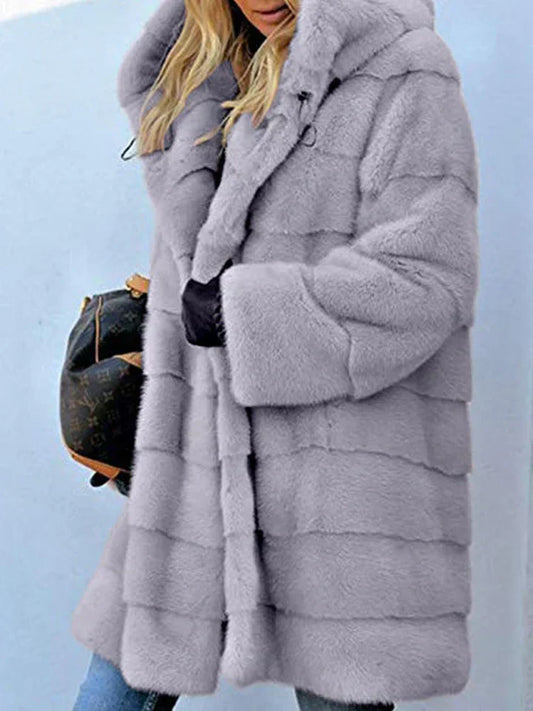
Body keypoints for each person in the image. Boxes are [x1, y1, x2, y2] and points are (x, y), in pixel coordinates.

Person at [71, 0, 479, 709]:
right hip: (194, 474)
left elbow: (427, 279)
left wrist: (243, 314)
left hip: (334, 492)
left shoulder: (405, 71)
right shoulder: (209, 77)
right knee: (110, 691)